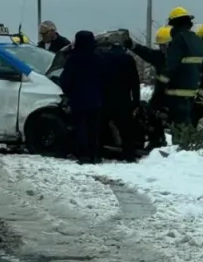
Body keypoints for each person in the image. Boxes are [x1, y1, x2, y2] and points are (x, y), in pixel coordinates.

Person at [58, 30, 104, 164]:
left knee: (80, 127)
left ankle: (83, 155)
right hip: (96, 99)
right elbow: (104, 78)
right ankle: (95, 154)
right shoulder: (98, 58)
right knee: (94, 128)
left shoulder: (73, 59)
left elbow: (65, 79)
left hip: (78, 99)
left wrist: (69, 93)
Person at [125, 25, 172, 150]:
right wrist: (132, 45)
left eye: (163, 45)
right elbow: (146, 52)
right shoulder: (160, 57)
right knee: (150, 114)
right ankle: (157, 140)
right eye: (160, 46)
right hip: (161, 98)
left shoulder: (181, 60)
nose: (161, 48)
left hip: (176, 100)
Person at [160, 7, 203, 129]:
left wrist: (160, 88)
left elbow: (171, 66)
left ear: (175, 24)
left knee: (179, 128)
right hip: (191, 93)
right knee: (187, 125)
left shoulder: (179, 39)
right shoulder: (197, 40)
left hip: (177, 94)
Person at [100, 42, 142, 161]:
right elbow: (135, 81)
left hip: (105, 98)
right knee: (126, 130)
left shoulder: (103, 58)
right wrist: (136, 100)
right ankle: (129, 155)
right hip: (123, 99)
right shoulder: (128, 59)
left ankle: (99, 152)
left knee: (101, 125)